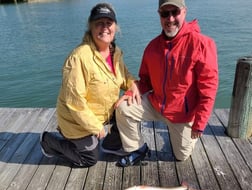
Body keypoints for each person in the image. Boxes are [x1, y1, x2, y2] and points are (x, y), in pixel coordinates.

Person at [113, 0, 219, 167]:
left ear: (184, 12)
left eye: (174, 12)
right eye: (165, 13)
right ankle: (137, 149)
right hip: (157, 104)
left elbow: (209, 88)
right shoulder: (152, 47)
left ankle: (185, 133)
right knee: (123, 108)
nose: (170, 19)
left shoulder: (203, 44)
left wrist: (200, 123)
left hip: (182, 113)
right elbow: (145, 81)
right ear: (159, 15)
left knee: (181, 156)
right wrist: (129, 93)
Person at [40, 3, 140, 167]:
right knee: (89, 159)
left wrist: (132, 85)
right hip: (75, 120)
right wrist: (95, 127)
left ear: (115, 26)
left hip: (103, 112)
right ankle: (49, 141)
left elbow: (123, 77)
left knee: (132, 107)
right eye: (99, 23)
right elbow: (75, 103)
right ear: (90, 27)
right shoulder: (79, 57)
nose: (104, 27)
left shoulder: (115, 52)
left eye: (109, 23)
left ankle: (111, 144)